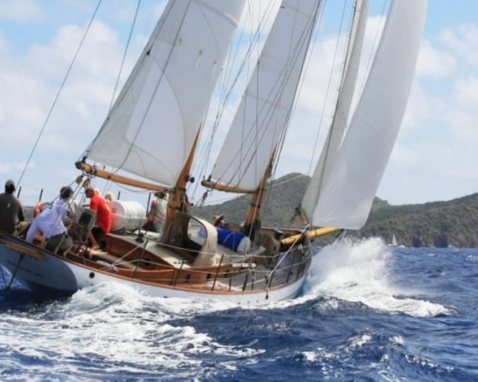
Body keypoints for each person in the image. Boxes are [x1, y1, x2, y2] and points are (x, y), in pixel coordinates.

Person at [26, 186, 74, 253]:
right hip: (59, 239)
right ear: (68, 197)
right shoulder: (60, 205)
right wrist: (74, 217)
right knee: (71, 243)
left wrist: (27, 245)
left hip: (50, 239)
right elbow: (67, 212)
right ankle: (62, 255)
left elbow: (29, 236)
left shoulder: (37, 219)